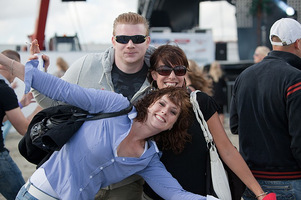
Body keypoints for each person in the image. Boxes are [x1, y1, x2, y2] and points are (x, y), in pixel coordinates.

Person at [0, 52, 219, 200]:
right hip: (39, 194)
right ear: (150, 103)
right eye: (161, 104)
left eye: (173, 112)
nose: (164, 112)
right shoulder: (115, 106)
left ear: (172, 124)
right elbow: (61, 90)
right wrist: (7, 61)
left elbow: (174, 194)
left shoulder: (149, 158)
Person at [31, 12, 156, 199]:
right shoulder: (87, 65)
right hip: (81, 178)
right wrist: (37, 71)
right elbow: (52, 102)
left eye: (137, 39)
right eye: (123, 39)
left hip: (127, 181)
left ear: (147, 41)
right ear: (113, 41)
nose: (130, 45)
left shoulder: (161, 73)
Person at [143, 44, 275, 200]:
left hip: (200, 195)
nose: (172, 77)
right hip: (155, 195)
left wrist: (260, 193)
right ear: (153, 75)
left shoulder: (200, 103)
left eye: (179, 70)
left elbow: (226, 149)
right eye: (164, 70)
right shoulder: (144, 107)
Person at [230, 17, 301, 199]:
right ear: (298, 43)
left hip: (251, 181)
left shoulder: (244, 77)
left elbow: (235, 126)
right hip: (289, 180)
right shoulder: (295, 79)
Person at [0, 50, 40, 200]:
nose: (16, 74)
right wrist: (41, 106)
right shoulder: (4, 90)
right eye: (15, 69)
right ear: (5, 65)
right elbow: (24, 129)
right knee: (21, 196)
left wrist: (21, 104)